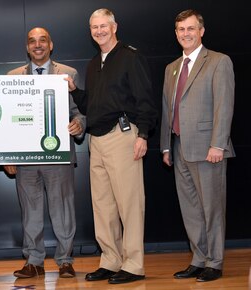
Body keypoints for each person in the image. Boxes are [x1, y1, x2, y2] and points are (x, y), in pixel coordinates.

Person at [67, 8, 157, 284]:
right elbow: (93, 104)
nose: (99, 31)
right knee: (103, 206)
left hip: (123, 135)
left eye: (104, 26)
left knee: (129, 204)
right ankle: (111, 260)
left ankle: (133, 264)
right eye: (94, 27)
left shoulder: (131, 57)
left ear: (114, 26)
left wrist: (143, 135)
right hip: (97, 139)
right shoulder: (94, 64)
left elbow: (145, 100)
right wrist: (74, 91)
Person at [4, 27, 86, 279]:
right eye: (32, 41)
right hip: (26, 158)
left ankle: (65, 260)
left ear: (51, 45)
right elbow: (7, 120)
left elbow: (79, 110)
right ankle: (34, 261)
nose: (37, 45)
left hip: (58, 155)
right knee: (30, 211)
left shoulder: (67, 74)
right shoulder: (13, 76)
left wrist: (79, 124)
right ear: (27, 47)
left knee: (63, 210)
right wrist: (7, 156)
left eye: (42, 41)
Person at [160, 9, 235, 282]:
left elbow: (224, 106)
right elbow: (168, 110)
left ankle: (214, 262)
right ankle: (198, 258)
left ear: (201, 31)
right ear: (176, 34)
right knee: (190, 208)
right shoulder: (172, 68)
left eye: (191, 28)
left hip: (208, 149)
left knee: (212, 208)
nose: (186, 34)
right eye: (181, 30)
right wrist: (166, 147)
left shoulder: (218, 61)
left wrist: (218, 144)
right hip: (179, 147)